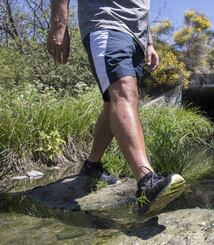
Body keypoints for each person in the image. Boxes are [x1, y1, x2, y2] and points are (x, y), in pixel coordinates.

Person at [47, 0, 186, 215]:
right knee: (123, 91)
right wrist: (58, 27)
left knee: (113, 102)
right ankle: (146, 181)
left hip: (136, 37)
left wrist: (148, 43)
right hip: (106, 22)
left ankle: (92, 166)